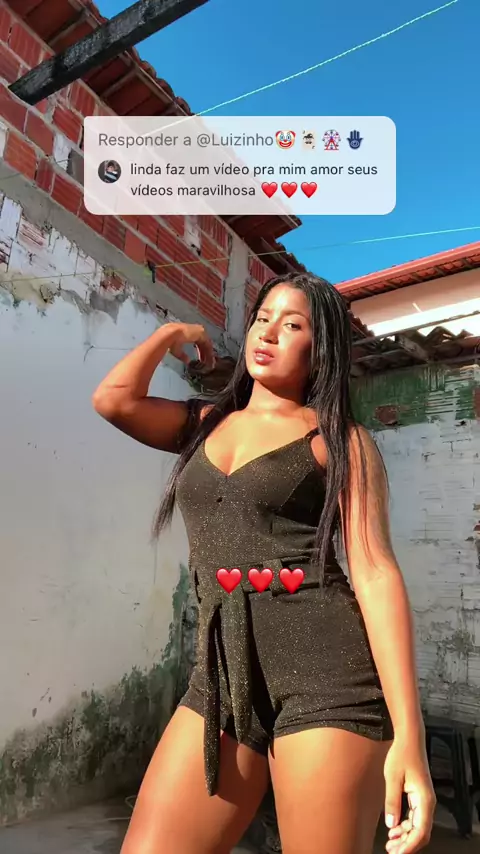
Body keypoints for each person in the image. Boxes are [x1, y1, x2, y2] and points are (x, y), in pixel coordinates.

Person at [92, 273, 436, 854]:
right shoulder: (203, 424)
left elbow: (375, 573)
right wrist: (172, 334)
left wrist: (410, 734)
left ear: (320, 349)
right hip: (221, 678)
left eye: (292, 324)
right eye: (262, 318)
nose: (269, 333)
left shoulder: (339, 441)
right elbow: (114, 400)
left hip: (329, 680)